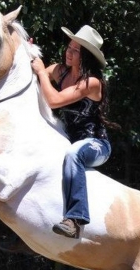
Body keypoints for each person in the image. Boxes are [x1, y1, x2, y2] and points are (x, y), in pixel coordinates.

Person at [31, 25, 117, 239]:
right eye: (69, 47)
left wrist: (42, 71)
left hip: (96, 145)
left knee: (73, 154)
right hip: (68, 140)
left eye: (76, 50)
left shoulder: (92, 83)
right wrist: (28, 53)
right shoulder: (61, 71)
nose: (68, 52)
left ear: (86, 56)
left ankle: (75, 220)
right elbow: (32, 74)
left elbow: (54, 100)